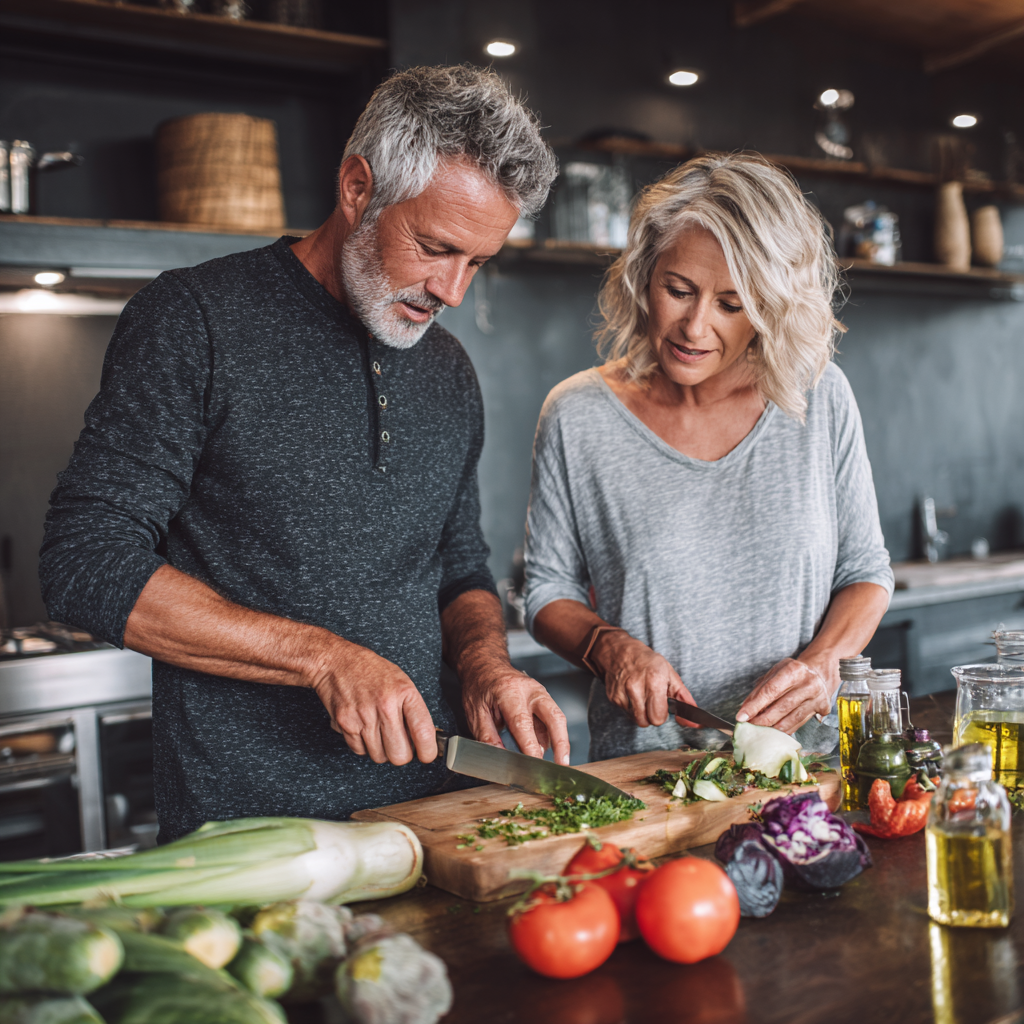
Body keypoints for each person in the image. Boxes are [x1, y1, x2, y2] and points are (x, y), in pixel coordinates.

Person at [40, 65, 568, 842]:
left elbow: (458, 566)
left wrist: (488, 666)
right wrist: (321, 659)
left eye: (478, 262)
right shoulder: (195, 320)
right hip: (251, 836)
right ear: (358, 188)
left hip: (434, 821)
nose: (452, 290)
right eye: (434, 247)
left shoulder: (450, 370)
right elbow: (85, 562)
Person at [524, 153, 894, 760]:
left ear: (770, 308)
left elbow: (865, 572)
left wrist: (824, 663)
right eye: (679, 290)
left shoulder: (819, 396)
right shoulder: (577, 414)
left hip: (802, 770)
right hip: (642, 783)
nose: (695, 327)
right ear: (645, 275)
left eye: (731, 304)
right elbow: (546, 591)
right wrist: (607, 646)